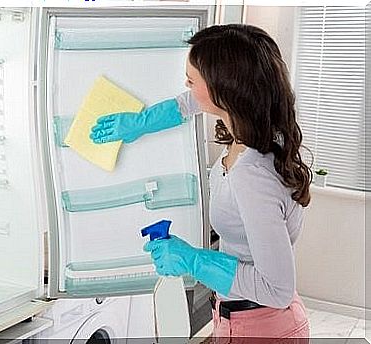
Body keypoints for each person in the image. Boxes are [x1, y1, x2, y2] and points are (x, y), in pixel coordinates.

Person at [90, 24, 312, 341]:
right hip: (249, 318)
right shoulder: (256, 128)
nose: (186, 84)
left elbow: (276, 289)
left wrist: (193, 260)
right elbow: (187, 103)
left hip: (262, 327)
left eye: (192, 79)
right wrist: (140, 123)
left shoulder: (252, 174)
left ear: (225, 91)